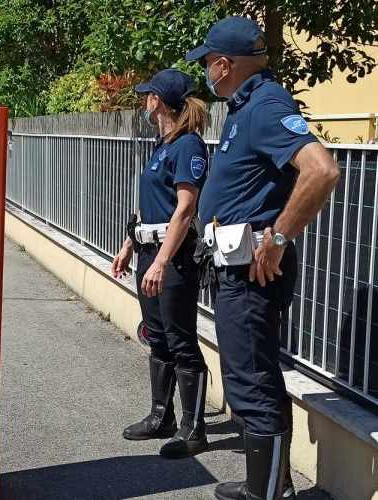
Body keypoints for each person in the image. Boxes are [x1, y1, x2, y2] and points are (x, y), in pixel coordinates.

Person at [185, 16, 340, 500]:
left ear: (225, 64)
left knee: (252, 385)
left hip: (250, 272)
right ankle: (273, 485)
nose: (206, 71)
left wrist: (277, 238)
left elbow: (322, 171)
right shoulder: (246, 108)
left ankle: (266, 494)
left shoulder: (265, 105)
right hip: (234, 269)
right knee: (256, 378)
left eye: (208, 62)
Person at [112, 69, 209, 459]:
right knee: (158, 338)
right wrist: (129, 246)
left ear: (158, 101)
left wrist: (162, 263)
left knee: (182, 341)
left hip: (173, 261)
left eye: (147, 95)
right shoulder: (162, 144)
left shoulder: (188, 146)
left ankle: (193, 428)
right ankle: (161, 417)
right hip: (149, 254)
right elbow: (148, 208)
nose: (142, 101)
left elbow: (185, 210)